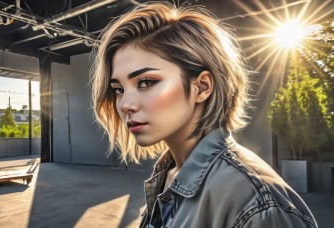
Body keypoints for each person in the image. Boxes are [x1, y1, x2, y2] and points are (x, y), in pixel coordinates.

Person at [91, 2, 317, 228]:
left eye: (147, 82)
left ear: (202, 87)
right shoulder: (167, 174)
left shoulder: (258, 206)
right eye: (118, 90)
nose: (125, 104)